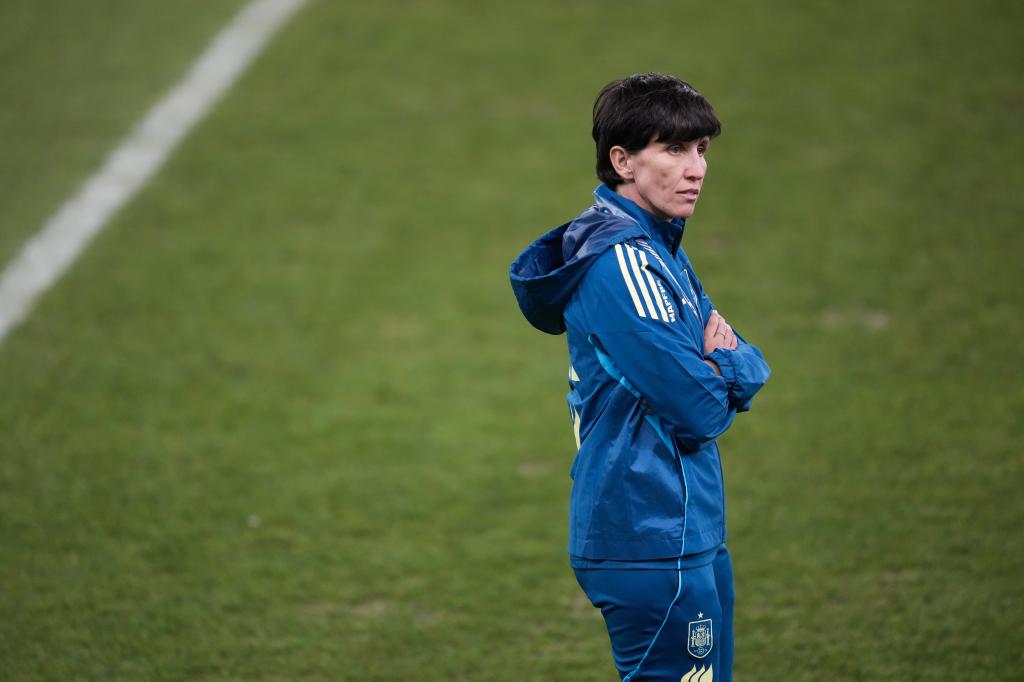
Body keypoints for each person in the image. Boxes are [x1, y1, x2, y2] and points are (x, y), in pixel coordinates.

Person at [509, 73, 771, 681]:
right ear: (621, 161)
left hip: (686, 523)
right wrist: (729, 365)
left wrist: (730, 363)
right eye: (674, 149)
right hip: (647, 531)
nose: (696, 168)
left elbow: (737, 358)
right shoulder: (621, 262)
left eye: (702, 149)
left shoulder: (660, 248)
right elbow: (701, 407)